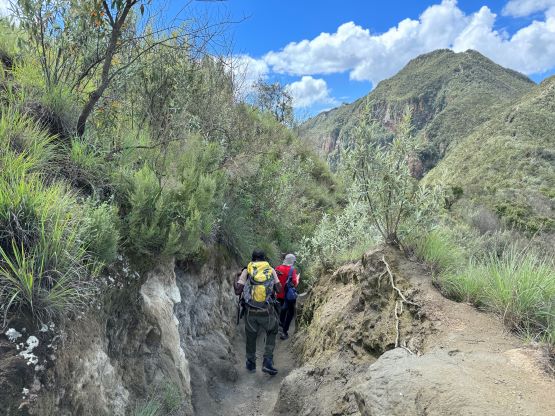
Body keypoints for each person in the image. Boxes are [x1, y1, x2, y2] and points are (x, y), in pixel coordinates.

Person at [235, 249, 282, 376]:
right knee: (272, 331)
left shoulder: (247, 270)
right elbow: (279, 289)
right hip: (267, 311)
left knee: (251, 336)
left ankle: (251, 363)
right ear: (264, 258)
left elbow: (238, 291)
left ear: (253, 258)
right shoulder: (270, 270)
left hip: (250, 311)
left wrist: (237, 277)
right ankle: (267, 361)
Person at [275, 254, 299, 340]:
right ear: (292, 261)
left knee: (282, 309)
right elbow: (294, 283)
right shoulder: (292, 270)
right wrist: (297, 279)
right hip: (288, 296)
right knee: (290, 313)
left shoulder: (278, 268)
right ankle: (284, 332)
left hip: (278, 294)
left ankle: (280, 324)